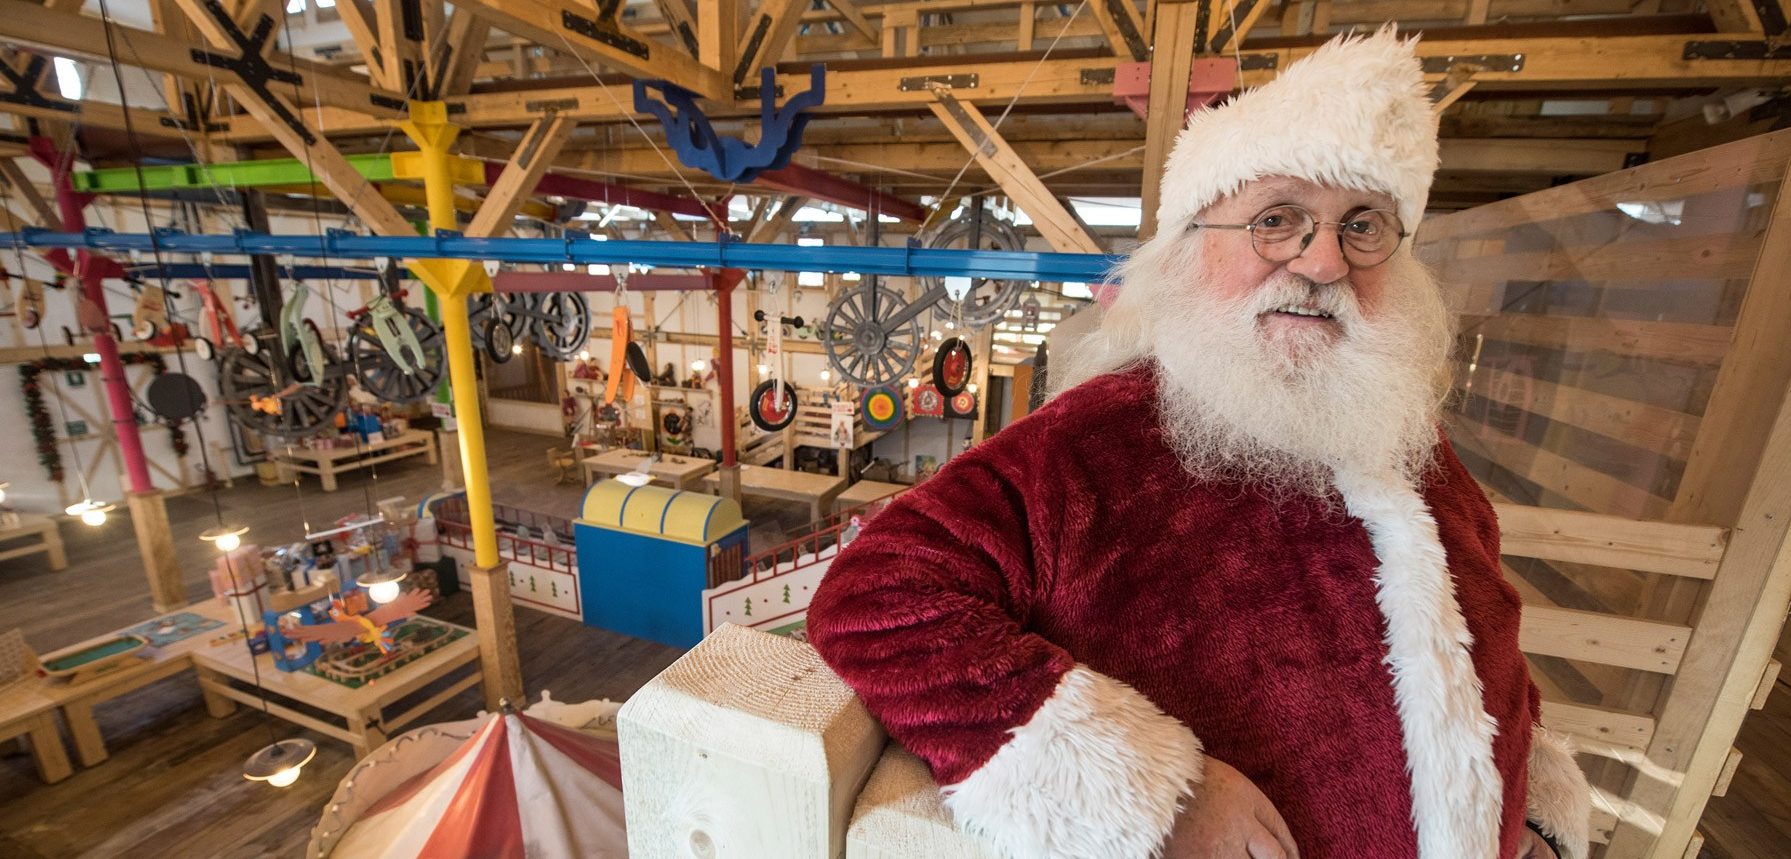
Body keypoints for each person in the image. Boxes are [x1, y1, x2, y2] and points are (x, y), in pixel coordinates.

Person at [805, 28, 1590, 859]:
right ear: (1187, 251)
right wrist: (1149, 792)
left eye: (1362, 226)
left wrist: (1530, 808)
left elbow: (1477, 642)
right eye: (1275, 219)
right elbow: (872, 599)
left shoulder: (1410, 449)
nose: (1322, 260)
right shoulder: (1089, 444)